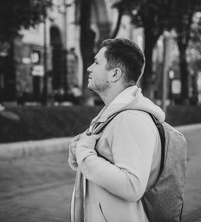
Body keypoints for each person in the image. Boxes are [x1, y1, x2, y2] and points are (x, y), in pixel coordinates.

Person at [68, 38, 165, 222]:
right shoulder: (113, 114)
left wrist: (84, 152)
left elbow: (131, 185)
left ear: (115, 74)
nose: (89, 68)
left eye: (96, 62)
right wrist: (79, 151)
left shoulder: (131, 119)